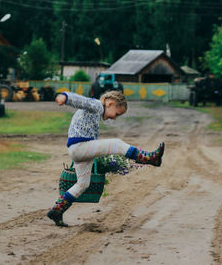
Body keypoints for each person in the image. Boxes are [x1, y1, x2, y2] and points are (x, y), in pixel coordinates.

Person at [47, 91, 165, 227]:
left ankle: (56, 210)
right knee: (116, 144)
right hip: (79, 147)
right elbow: (82, 101)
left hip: (82, 150)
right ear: (110, 103)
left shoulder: (96, 112)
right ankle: (148, 158)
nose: (115, 118)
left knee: (83, 184)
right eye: (117, 113)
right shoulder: (97, 105)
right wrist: (65, 97)